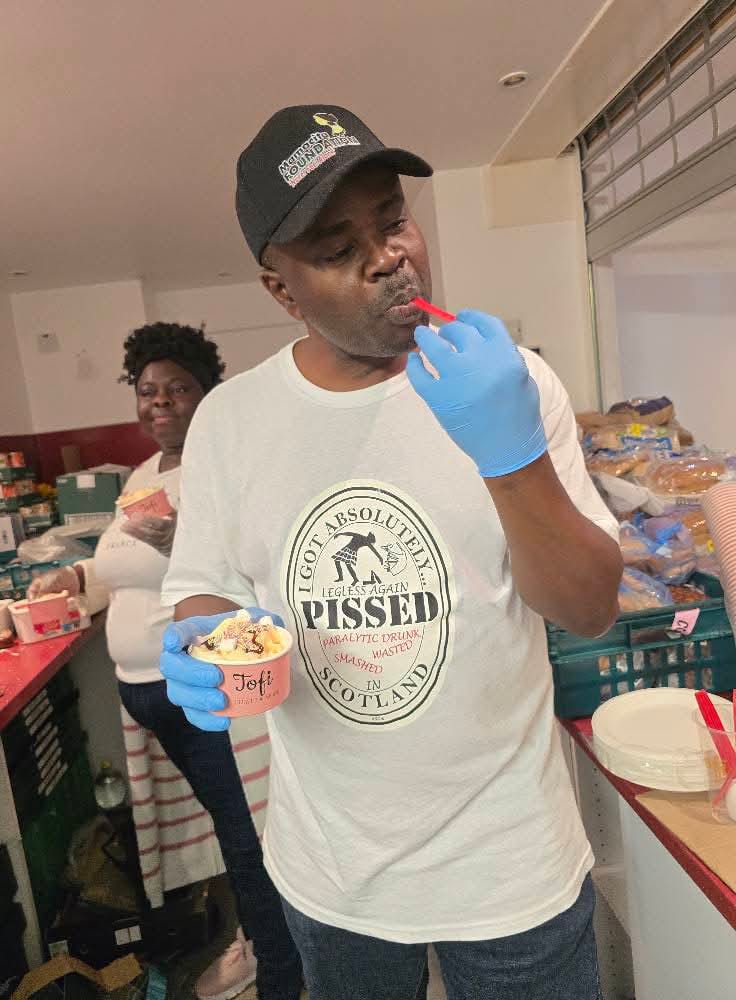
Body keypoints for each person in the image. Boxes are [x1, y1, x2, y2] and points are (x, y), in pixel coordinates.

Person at [159, 105, 623, 1000]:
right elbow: (205, 589)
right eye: (339, 249)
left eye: (394, 220)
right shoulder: (231, 422)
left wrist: (511, 455)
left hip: (511, 864)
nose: (388, 257)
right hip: (333, 874)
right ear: (282, 291)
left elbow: (589, 608)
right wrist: (204, 641)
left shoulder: (515, 382)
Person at [28, 323, 302, 1000]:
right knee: (228, 833)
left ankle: (281, 967)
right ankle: (264, 943)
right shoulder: (145, 475)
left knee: (247, 835)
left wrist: (187, 539)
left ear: (207, 394)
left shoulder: (226, 462)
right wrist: (76, 577)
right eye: (148, 390)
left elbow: (251, 565)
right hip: (147, 692)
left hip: (201, 687)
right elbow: (123, 564)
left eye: (178, 389)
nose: (160, 402)